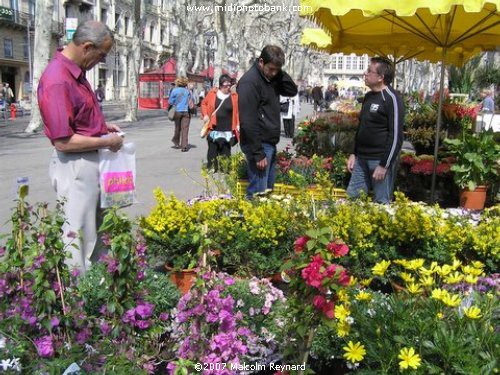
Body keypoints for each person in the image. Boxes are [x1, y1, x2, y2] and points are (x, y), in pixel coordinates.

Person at [37, 20, 123, 273]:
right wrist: (107, 142)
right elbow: (64, 141)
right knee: (78, 236)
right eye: (101, 54)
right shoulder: (58, 79)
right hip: (75, 165)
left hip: (88, 160)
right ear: (87, 47)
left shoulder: (75, 74)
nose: (101, 60)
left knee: (95, 230)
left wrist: (103, 129)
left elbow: (77, 122)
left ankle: (95, 288)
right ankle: (78, 300)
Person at [237, 45, 298, 198]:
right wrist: (258, 153)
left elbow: (292, 90)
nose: (273, 73)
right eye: (271, 68)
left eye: (277, 70)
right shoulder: (249, 82)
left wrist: (278, 72)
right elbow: (247, 121)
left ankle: (259, 219)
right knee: (258, 194)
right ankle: (251, 220)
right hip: (258, 144)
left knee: (267, 192)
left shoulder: (272, 78)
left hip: (268, 142)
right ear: (261, 62)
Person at [346, 56, 404, 204]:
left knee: (381, 203)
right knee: (353, 200)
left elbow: (396, 136)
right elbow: (361, 127)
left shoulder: (392, 98)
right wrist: (353, 153)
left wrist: (384, 165)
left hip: (379, 160)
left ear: (380, 77)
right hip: (361, 160)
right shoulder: (368, 96)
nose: (365, 74)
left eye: (369, 71)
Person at [201, 74, 239, 171]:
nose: (228, 88)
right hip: (214, 127)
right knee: (212, 149)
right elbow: (204, 104)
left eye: (230, 85)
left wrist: (238, 124)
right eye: (226, 86)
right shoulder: (212, 94)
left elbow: (238, 111)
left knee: (226, 150)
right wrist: (205, 114)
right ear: (221, 85)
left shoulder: (234, 96)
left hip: (228, 128)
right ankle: (212, 167)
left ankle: (225, 168)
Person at [169, 76, 193, 152]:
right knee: (185, 129)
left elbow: (170, 102)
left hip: (177, 111)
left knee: (177, 128)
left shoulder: (174, 91)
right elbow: (192, 101)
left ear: (178, 82)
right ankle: (184, 146)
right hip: (186, 112)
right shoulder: (188, 91)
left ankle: (176, 142)